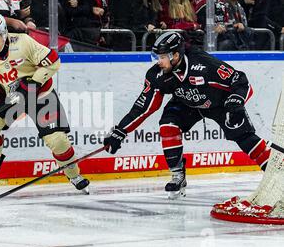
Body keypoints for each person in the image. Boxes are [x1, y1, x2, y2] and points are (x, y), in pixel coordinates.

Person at [103, 31, 271, 199]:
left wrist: (235, 103)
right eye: (157, 57)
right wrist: (120, 131)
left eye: (162, 57)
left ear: (175, 55)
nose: (158, 62)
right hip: (186, 103)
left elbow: (240, 80)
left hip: (219, 104)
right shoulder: (157, 75)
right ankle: (178, 175)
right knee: (168, 126)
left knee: (245, 137)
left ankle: (275, 174)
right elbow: (143, 107)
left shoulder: (203, 64)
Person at [0, 12, 90, 194]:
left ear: (4, 32)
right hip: (12, 96)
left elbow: (53, 61)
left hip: (40, 95)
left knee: (57, 140)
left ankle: (74, 174)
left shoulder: (23, 42)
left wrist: (34, 83)